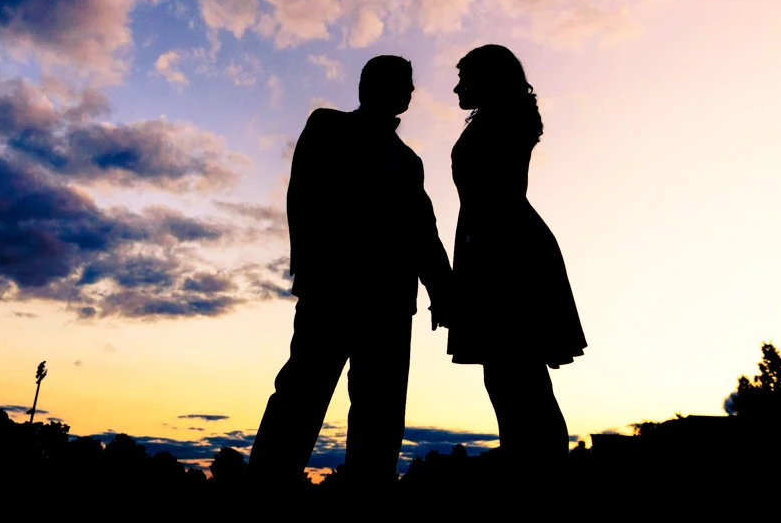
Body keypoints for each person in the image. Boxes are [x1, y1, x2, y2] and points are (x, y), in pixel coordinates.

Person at [249, 55, 454, 488]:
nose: (412, 91)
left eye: (412, 84)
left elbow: (422, 228)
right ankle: (264, 490)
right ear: (369, 85)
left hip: (391, 302)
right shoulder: (326, 125)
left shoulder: (408, 160)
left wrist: (442, 289)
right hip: (332, 290)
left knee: (380, 413)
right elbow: (301, 197)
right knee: (301, 397)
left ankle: (369, 498)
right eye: (404, 82)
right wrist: (309, 268)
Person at [445, 44, 585, 475]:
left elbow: (493, 196)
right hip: (493, 247)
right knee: (508, 377)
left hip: (507, 252)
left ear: (487, 79)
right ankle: (530, 473)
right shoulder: (498, 119)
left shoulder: (504, 121)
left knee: (518, 376)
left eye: (464, 77)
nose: (455, 87)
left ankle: (541, 477)